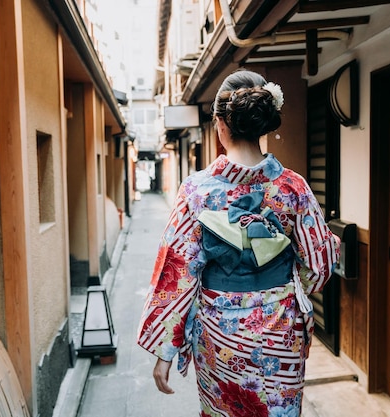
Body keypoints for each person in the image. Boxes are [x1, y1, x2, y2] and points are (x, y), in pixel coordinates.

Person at [137, 69, 340, 417]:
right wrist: (285, 288)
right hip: (281, 332)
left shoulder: (196, 190)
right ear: (263, 123)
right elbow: (319, 266)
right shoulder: (293, 187)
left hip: (220, 334)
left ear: (220, 124)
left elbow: (178, 270)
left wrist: (164, 353)